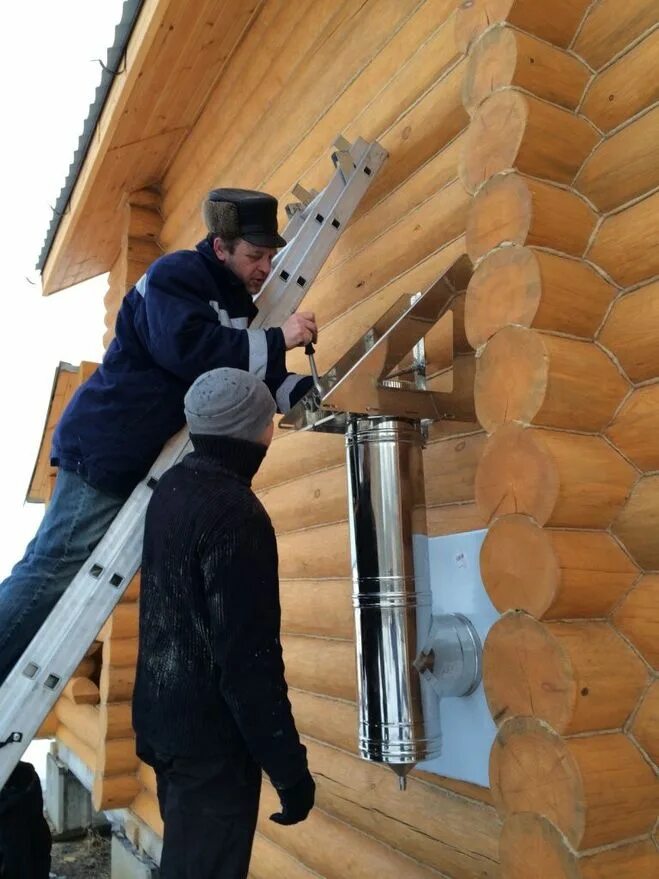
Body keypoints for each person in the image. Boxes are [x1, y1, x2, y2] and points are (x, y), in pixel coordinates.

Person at [0, 189, 316, 878]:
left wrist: (292, 388)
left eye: (271, 256)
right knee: (52, 570)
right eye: (256, 255)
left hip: (137, 451)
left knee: (54, 573)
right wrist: (276, 338)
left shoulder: (233, 296)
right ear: (222, 246)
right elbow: (193, 351)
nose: (265, 267)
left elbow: (237, 374)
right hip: (109, 446)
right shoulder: (176, 276)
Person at [133, 367, 314, 878]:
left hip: (164, 729)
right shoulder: (237, 516)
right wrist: (289, 769)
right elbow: (248, 663)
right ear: (265, 432)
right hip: (210, 752)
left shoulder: (171, 487)